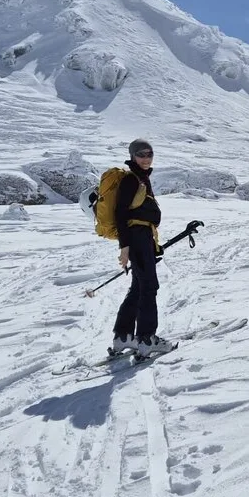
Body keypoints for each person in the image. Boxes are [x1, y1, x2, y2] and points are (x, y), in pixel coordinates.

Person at [110, 139, 175, 359]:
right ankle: (147, 339)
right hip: (136, 238)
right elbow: (120, 214)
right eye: (141, 154)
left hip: (143, 238)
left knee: (139, 287)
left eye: (150, 154)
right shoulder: (131, 179)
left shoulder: (141, 178)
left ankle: (123, 337)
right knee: (149, 286)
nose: (146, 158)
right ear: (133, 156)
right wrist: (125, 247)